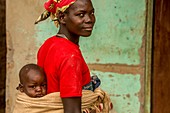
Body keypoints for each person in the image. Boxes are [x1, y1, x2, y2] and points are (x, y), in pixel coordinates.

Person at [35, 0, 95, 112]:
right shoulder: (71, 56)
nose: (89, 20)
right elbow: (72, 110)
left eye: (91, 13)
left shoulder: (48, 44)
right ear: (62, 17)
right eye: (81, 15)